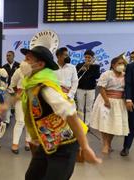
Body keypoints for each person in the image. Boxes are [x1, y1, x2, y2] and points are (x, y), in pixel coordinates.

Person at [16, 46, 101, 180]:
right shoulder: (31, 84)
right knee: (32, 177)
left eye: (28, 59)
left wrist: (85, 147)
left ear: (40, 64)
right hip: (47, 141)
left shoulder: (46, 88)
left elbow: (71, 115)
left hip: (65, 144)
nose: (23, 62)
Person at [90, 56, 128, 154]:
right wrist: (106, 101)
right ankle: (106, 144)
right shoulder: (107, 74)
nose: (121, 65)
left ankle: (109, 143)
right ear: (113, 65)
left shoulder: (125, 75)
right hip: (105, 100)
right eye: (119, 63)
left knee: (114, 123)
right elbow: (102, 88)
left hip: (119, 103)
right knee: (105, 122)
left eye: (123, 64)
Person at [9, 67, 32, 154]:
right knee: (20, 121)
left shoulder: (38, 70)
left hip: (33, 98)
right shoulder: (19, 70)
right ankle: (15, 144)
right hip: (20, 97)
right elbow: (13, 82)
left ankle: (28, 142)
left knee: (29, 121)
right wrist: (18, 92)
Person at [76, 50, 100, 125]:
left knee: (89, 108)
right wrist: (81, 70)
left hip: (91, 89)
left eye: (89, 57)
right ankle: (80, 123)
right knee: (80, 107)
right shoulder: (79, 65)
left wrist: (90, 66)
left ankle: (87, 124)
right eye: (86, 57)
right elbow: (76, 76)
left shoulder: (96, 66)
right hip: (80, 88)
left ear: (92, 58)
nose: (87, 58)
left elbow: (97, 76)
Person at [121, 50, 134, 156]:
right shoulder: (131, 67)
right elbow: (128, 84)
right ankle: (126, 147)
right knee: (131, 125)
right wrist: (128, 100)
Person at [3, 51, 20, 125]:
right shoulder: (4, 67)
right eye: (7, 56)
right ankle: (7, 121)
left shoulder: (19, 65)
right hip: (7, 88)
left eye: (9, 55)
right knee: (7, 104)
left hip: (17, 88)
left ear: (13, 56)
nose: (7, 57)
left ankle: (18, 121)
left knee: (17, 106)